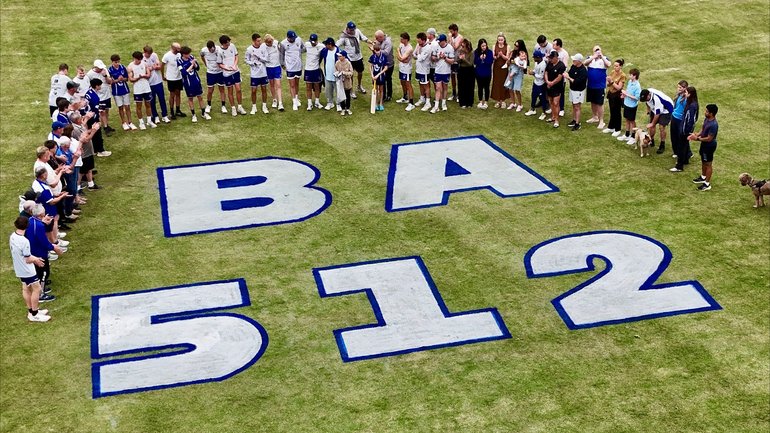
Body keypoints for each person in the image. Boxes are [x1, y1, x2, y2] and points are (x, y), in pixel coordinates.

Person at [11, 217, 51, 322]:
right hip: (27, 269)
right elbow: (28, 258)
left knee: (25, 288)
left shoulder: (13, 236)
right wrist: (37, 260)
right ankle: (35, 313)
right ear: (27, 226)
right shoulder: (24, 241)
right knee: (36, 289)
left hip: (19, 267)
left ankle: (31, 311)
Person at [22, 201, 63, 301]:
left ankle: (41, 287)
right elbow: (44, 242)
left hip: (32, 250)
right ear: (41, 215)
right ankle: (41, 294)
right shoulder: (40, 226)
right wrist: (55, 248)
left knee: (40, 272)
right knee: (44, 273)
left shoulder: (31, 220)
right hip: (39, 252)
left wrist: (43, 222)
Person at [689, 104, 719, 191]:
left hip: (709, 146)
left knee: (708, 164)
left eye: (706, 111)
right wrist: (696, 134)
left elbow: (709, 138)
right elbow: (703, 128)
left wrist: (697, 138)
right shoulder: (707, 119)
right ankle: (703, 176)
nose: (705, 112)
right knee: (703, 161)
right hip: (704, 145)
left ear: (711, 113)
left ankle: (707, 184)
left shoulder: (714, 125)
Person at [177, 46, 210, 123]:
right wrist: (191, 64)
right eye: (187, 54)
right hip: (188, 83)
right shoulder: (179, 61)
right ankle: (193, 115)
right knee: (190, 98)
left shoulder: (191, 57)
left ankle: (203, 112)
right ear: (183, 54)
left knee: (200, 97)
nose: (189, 55)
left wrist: (194, 64)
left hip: (196, 81)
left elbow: (198, 68)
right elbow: (184, 73)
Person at [337, 21, 369, 98]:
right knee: (350, 75)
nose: (352, 31)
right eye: (351, 30)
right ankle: (351, 90)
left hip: (358, 57)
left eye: (353, 29)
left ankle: (359, 85)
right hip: (350, 59)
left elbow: (363, 38)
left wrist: (371, 42)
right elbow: (337, 44)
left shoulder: (357, 31)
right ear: (347, 29)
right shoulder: (344, 37)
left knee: (360, 72)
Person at [671, 86, 699, 172]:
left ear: (690, 94)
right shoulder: (690, 103)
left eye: (686, 92)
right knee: (685, 145)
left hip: (685, 129)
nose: (685, 94)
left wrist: (686, 130)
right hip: (684, 127)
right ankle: (686, 160)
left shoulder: (692, 105)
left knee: (681, 146)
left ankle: (679, 166)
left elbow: (690, 119)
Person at [218, 35, 247, 116]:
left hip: (235, 71)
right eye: (227, 42)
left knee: (238, 89)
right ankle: (233, 108)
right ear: (223, 43)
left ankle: (240, 107)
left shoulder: (232, 46)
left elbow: (236, 56)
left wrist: (234, 65)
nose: (229, 43)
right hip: (227, 74)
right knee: (230, 91)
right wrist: (227, 68)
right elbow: (220, 64)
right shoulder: (219, 51)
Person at [127, 51, 156, 130]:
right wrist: (138, 78)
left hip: (146, 88)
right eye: (137, 60)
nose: (139, 61)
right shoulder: (130, 66)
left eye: (140, 59)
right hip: (138, 89)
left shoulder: (144, 64)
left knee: (148, 104)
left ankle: (149, 121)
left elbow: (148, 75)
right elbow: (131, 79)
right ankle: (141, 122)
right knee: (139, 106)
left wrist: (144, 76)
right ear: (134, 58)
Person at [640, 87, 674, 154]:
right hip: (655, 108)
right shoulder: (646, 93)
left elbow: (657, 114)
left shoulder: (657, 99)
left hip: (666, 110)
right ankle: (651, 140)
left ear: (649, 95)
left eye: (646, 98)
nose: (645, 100)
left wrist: (652, 123)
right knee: (651, 127)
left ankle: (662, 145)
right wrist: (648, 109)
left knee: (661, 127)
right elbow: (647, 102)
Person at [584, 45, 610, 129]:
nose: (597, 52)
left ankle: (601, 121)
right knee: (593, 101)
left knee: (599, 103)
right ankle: (595, 117)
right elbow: (585, 63)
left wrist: (601, 56)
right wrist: (593, 57)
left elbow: (608, 64)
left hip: (600, 86)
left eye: (599, 50)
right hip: (591, 85)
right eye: (596, 50)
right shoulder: (590, 58)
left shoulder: (604, 58)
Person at [83, 78, 111, 157]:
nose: (101, 87)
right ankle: (100, 150)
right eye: (100, 85)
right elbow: (95, 107)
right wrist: (100, 110)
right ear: (96, 86)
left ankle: (94, 150)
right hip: (93, 117)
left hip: (89, 116)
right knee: (97, 133)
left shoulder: (89, 92)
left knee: (94, 134)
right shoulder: (93, 96)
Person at [108, 54, 136, 131]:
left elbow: (127, 78)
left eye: (118, 61)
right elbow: (110, 81)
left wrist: (122, 79)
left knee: (127, 106)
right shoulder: (110, 70)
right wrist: (117, 80)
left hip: (125, 90)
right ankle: (124, 122)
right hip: (116, 91)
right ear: (112, 62)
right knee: (120, 107)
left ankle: (130, 122)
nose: (117, 63)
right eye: (115, 62)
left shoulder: (123, 67)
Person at [87, 60, 115, 136]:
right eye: (99, 68)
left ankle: (106, 124)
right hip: (99, 96)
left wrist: (105, 76)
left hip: (106, 94)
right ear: (95, 67)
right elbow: (89, 85)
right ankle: (105, 127)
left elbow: (110, 82)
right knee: (101, 112)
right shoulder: (90, 74)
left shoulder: (104, 71)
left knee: (106, 111)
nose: (101, 69)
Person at [143, 45, 170, 124]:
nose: (150, 55)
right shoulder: (142, 59)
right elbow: (144, 70)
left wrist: (154, 67)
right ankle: (155, 116)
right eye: (148, 54)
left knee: (162, 99)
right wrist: (151, 68)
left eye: (150, 53)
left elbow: (159, 66)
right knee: (152, 101)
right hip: (149, 83)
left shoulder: (154, 55)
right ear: (144, 52)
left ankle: (164, 115)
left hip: (158, 81)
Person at [279, 30, 304, 110]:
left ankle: (296, 98)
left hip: (298, 66)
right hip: (290, 67)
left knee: (297, 83)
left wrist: (299, 54)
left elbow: (303, 48)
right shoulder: (283, 43)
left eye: (294, 38)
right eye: (292, 38)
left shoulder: (299, 39)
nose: (293, 39)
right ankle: (294, 102)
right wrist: (282, 64)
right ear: (288, 38)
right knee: (292, 85)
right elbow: (281, 54)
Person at [245, 33, 270, 114]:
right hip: (254, 74)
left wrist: (259, 58)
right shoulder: (249, 49)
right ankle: (254, 107)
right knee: (254, 91)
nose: (260, 42)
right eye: (258, 41)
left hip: (263, 73)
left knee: (264, 89)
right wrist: (253, 63)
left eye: (260, 40)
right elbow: (246, 60)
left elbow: (266, 59)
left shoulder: (263, 48)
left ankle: (264, 106)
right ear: (253, 41)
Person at [430, 34, 455, 113]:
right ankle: (436, 106)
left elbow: (452, 61)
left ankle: (443, 103)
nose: (439, 43)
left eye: (440, 41)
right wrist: (438, 57)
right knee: (438, 88)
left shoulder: (450, 48)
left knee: (445, 87)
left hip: (446, 71)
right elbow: (433, 58)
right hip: (438, 71)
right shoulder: (436, 47)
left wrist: (445, 57)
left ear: (444, 41)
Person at [201, 40, 227, 115]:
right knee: (210, 90)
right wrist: (205, 63)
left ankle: (223, 106)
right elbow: (202, 56)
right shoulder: (203, 51)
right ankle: (208, 105)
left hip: (219, 72)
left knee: (221, 89)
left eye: (213, 49)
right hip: (210, 73)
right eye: (210, 49)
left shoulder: (219, 49)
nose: (212, 50)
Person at [564, 53, 587, 131]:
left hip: (578, 91)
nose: (573, 60)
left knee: (577, 106)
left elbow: (577, 82)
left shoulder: (583, 71)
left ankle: (577, 123)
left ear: (579, 61)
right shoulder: (574, 66)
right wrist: (567, 74)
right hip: (572, 89)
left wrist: (568, 77)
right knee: (573, 105)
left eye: (575, 60)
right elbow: (570, 73)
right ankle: (574, 120)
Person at [162, 42, 186, 118]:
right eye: (178, 48)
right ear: (173, 48)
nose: (180, 49)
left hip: (178, 77)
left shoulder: (179, 54)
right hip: (171, 78)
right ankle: (172, 111)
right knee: (172, 95)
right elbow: (162, 65)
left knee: (178, 93)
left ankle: (178, 110)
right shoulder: (167, 55)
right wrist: (163, 76)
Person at [261, 34, 284, 112]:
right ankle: (274, 99)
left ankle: (280, 103)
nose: (271, 44)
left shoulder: (276, 43)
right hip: (268, 68)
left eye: (271, 42)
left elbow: (282, 51)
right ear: (266, 42)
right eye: (269, 43)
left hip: (277, 67)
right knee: (271, 84)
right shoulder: (263, 46)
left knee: (278, 85)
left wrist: (282, 63)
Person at [604, 59, 626, 136]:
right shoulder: (613, 72)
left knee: (617, 112)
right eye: (614, 66)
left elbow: (619, 87)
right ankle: (611, 127)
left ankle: (618, 129)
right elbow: (608, 84)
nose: (615, 67)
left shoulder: (622, 75)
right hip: (611, 94)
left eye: (617, 66)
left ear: (621, 66)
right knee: (612, 111)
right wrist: (608, 81)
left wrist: (612, 82)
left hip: (617, 95)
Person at [544, 51, 566, 128]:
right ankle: (553, 116)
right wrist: (547, 81)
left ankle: (556, 120)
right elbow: (546, 72)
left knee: (556, 103)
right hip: (549, 86)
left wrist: (551, 83)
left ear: (556, 57)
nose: (550, 60)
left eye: (552, 58)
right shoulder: (549, 63)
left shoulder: (561, 65)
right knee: (551, 102)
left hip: (557, 87)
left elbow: (559, 77)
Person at [620, 68, 641, 144]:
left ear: (634, 76)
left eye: (631, 75)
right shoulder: (629, 81)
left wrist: (627, 95)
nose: (629, 76)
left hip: (632, 106)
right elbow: (628, 92)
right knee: (627, 119)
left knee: (632, 121)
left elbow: (637, 98)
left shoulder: (637, 86)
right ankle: (627, 134)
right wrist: (624, 95)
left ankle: (633, 136)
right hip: (626, 103)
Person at [525, 50, 548, 119]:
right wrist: (533, 71)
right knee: (533, 96)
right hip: (536, 83)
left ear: (538, 57)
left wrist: (533, 74)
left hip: (541, 84)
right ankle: (532, 109)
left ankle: (544, 112)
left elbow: (541, 76)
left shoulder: (543, 65)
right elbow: (535, 70)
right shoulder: (537, 63)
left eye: (534, 57)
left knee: (542, 98)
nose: (534, 59)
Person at [303, 34, 324, 110]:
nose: (313, 43)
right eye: (311, 42)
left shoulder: (321, 46)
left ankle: (317, 102)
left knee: (317, 86)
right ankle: (309, 103)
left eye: (314, 42)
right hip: (308, 70)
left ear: (317, 41)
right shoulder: (307, 45)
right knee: (308, 87)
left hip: (316, 69)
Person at [669, 80, 689, 161]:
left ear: (685, 88)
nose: (679, 89)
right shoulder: (679, 96)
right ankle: (676, 152)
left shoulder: (686, 98)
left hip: (680, 119)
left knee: (681, 137)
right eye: (678, 87)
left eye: (680, 87)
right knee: (673, 136)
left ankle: (687, 153)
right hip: (674, 117)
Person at [395, 32, 415, 111]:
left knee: (408, 84)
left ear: (406, 39)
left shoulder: (409, 48)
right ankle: (405, 97)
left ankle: (411, 103)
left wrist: (398, 53)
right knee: (402, 82)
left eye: (402, 39)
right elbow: (401, 58)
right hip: (401, 67)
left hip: (407, 69)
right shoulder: (401, 45)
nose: (400, 40)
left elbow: (402, 58)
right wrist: (401, 58)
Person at [413, 32, 433, 111]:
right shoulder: (418, 45)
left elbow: (421, 58)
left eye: (419, 41)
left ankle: (428, 102)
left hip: (425, 70)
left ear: (423, 40)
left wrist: (418, 53)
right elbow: (414, 55)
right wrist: (417, 54)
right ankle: (422, 98)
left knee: (426, 85)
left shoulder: (428, 48)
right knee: (420, 84)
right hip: (418, 69)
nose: (418, 43)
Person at [320, 37, 340, 111]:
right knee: (328, 90)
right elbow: (319, 58)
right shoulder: (325, 51)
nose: (325, 46)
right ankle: (330, 102)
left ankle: (338, 104)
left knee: (338, 91)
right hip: (327, 75)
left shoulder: (338, 52)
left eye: (326, 44)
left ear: (330, 45)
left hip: (336, 76)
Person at [373, 30, 394, 102]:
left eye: (377, 38)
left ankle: (389, 95)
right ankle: (383, 95)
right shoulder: (380, 41)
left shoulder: (388, 42)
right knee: (382, 80)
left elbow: (386, 53)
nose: (376, 39)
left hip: (389, 64)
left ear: (381, 37)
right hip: (381, 64)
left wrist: (377, 50)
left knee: (388, 79)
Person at [491, 33, 510, 108]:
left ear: (504, 40)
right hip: (496, 68)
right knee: (496, 83)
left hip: (504, 68)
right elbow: (493, 57)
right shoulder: (494, 46)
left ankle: (503, 100)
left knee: (503, 83)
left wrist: (502, 55)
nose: (500, 41)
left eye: (501, 40)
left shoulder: (507, 46)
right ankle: (498, 100)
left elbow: (508, 58)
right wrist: (497, 56)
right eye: (499, 40)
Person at [474, 39, 493, 109]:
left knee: (487, 87)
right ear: (479, 46)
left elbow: (490, 62)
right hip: (479, 73)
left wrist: (485, 59)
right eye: (482, 46)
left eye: (485, 45)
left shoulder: (490, 52)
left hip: (487, 73)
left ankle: (486, 102)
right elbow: (475, 62)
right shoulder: (476, 52)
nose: (484, 47)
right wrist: (479, 58)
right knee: (480, 87)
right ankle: (480, 101)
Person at [455, 38, 475, 108]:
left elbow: (470, 63)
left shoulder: (471, 53)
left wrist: (464, 59)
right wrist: (460, 59)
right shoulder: (460, 51)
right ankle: (462, 102)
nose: (461, 47)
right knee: (461, 86)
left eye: (463, 46)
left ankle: (469, 102)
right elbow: (457, 61)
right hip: (462, 70)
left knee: (469, 86)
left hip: (469, 70)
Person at [551, 39, 569, 117]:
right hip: (552, 76)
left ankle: (561, 109)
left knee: (560, 93)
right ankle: (553, 107)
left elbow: (565, 66)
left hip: (560, 77)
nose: (552, 46)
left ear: (558, 45)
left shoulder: (564, 54)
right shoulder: (552, 51)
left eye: (554, 44)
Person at [508, 45, 528, 111]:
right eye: (515, 45)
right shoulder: (513, 54)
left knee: (517, 89)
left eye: (517, 45)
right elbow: (510, 61)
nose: (515, 46)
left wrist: (522, 66)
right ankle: (513, 103)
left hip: (519, 74)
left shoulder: (524, 57)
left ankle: (520, 105)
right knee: (510, 88)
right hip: (512, 71)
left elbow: (525, 66)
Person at [447, 24, 464, 101]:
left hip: (457, 61)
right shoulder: (451, 37)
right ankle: (454, 93)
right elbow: (447, 46)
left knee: (459, 78)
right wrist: (449, 39)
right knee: (452, 77)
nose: (450, 33)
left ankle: (460, 94)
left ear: (455, 31)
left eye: (451, 31)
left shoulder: (460, 38)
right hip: (451, 60)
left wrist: (450, 39)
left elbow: (455, 48)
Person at [335, 50, 354, 115]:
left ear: (344, 56)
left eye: (340, 56)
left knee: (347, 96)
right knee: (341, 96)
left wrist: (344, 73)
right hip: (340, 83)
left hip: (347, 82)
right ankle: (343, 108)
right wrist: (337, 74)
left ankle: (348, 108)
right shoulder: (337, 63)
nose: (339, 57)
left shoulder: (348, 63)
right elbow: (336, 70)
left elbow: (351, 73)